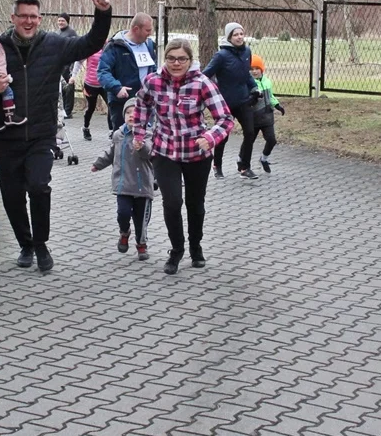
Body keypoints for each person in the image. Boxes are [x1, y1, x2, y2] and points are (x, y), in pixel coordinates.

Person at [0, 0, 112, 272]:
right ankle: (25, 244)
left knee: (38, 186)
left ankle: (41, 244)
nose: (29, 21)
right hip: (6, 133)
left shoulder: (54, 45)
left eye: (33, 16)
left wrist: (103, 14)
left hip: (42, 132)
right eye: (23, 16)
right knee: (11, 194)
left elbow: (90, 44)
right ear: (13, 19)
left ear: (40, 19)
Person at [133, 39, 234, 275]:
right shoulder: (153, 81)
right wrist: (139, 134)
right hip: (165, 151)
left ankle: (195, 246)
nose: (176, 63)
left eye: (182, 59)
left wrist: (210, 137)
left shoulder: (202, 83)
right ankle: (176, 250)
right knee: (172, 202)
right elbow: (141, 107)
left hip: (196, 152)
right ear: (164, 59)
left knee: (195, 203)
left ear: (190, 61)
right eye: (171, 58)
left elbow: (226, 119)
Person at [91, 99, 153, 262]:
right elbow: (111, 152)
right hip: (123, 183)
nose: (132, 115)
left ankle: (141, 245)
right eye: (128, 112)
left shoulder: (148, 134)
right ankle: (124, 232)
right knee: (122, 213)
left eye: (136, 112)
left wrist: (141, 147)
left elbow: (150, 154)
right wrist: (99, 164)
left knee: (141, 220)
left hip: (142, 186)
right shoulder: (118, 134)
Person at [202, 22, 260, 179]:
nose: (239, 37)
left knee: (250, 132)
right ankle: (217, 165)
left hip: (244, 100)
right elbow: (205, 75)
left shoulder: (247, 51)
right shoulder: (221, 56)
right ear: (229, 37)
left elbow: (246, 74)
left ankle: (244, 166)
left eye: (241, 34)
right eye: (236, 34)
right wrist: (204, 92)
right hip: (225, 103)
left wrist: (254, 88)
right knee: (224, 135)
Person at [97, 13, 157, 131]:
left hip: (145, 100)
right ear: (136, 29)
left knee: (147, 138)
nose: (150, 33)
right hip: (122, 102)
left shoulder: (149, 45)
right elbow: (102, 72)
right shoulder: (115, 46)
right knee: (123, 137)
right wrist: (117, 88)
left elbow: (153, 68)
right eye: (147, 30)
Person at [250, 54, 285, 173]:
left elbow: (270, 96)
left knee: (271, 140)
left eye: (257, 68)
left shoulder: (267, 81)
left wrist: (277, 105)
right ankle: (241, 161)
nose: (254, 71)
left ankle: (264, 159)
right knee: (249, 141)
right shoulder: (249, 83)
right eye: (251, 69)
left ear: (261, 69)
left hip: (267, 117)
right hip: (254, 118)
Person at [81, 47, 109, 141]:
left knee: (111, 106)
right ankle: (86, 128)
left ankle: (112, 131)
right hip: (90, 84)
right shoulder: (90, 47)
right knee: (91, 108)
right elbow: (79, 61)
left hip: (103, 84)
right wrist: (73, 76)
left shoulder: (108, 48)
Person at [57, 13, 78, 119]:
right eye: (59, 20)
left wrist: (72, 65)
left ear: (67, 22)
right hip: (60, 64)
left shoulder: (71, 33)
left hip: (69, 64)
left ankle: (68, 111)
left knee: (69, 88)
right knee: (62, 88)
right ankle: (63, 109)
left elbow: (76, 49)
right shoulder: (59, 32)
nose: (60, 22)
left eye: (62, 21)